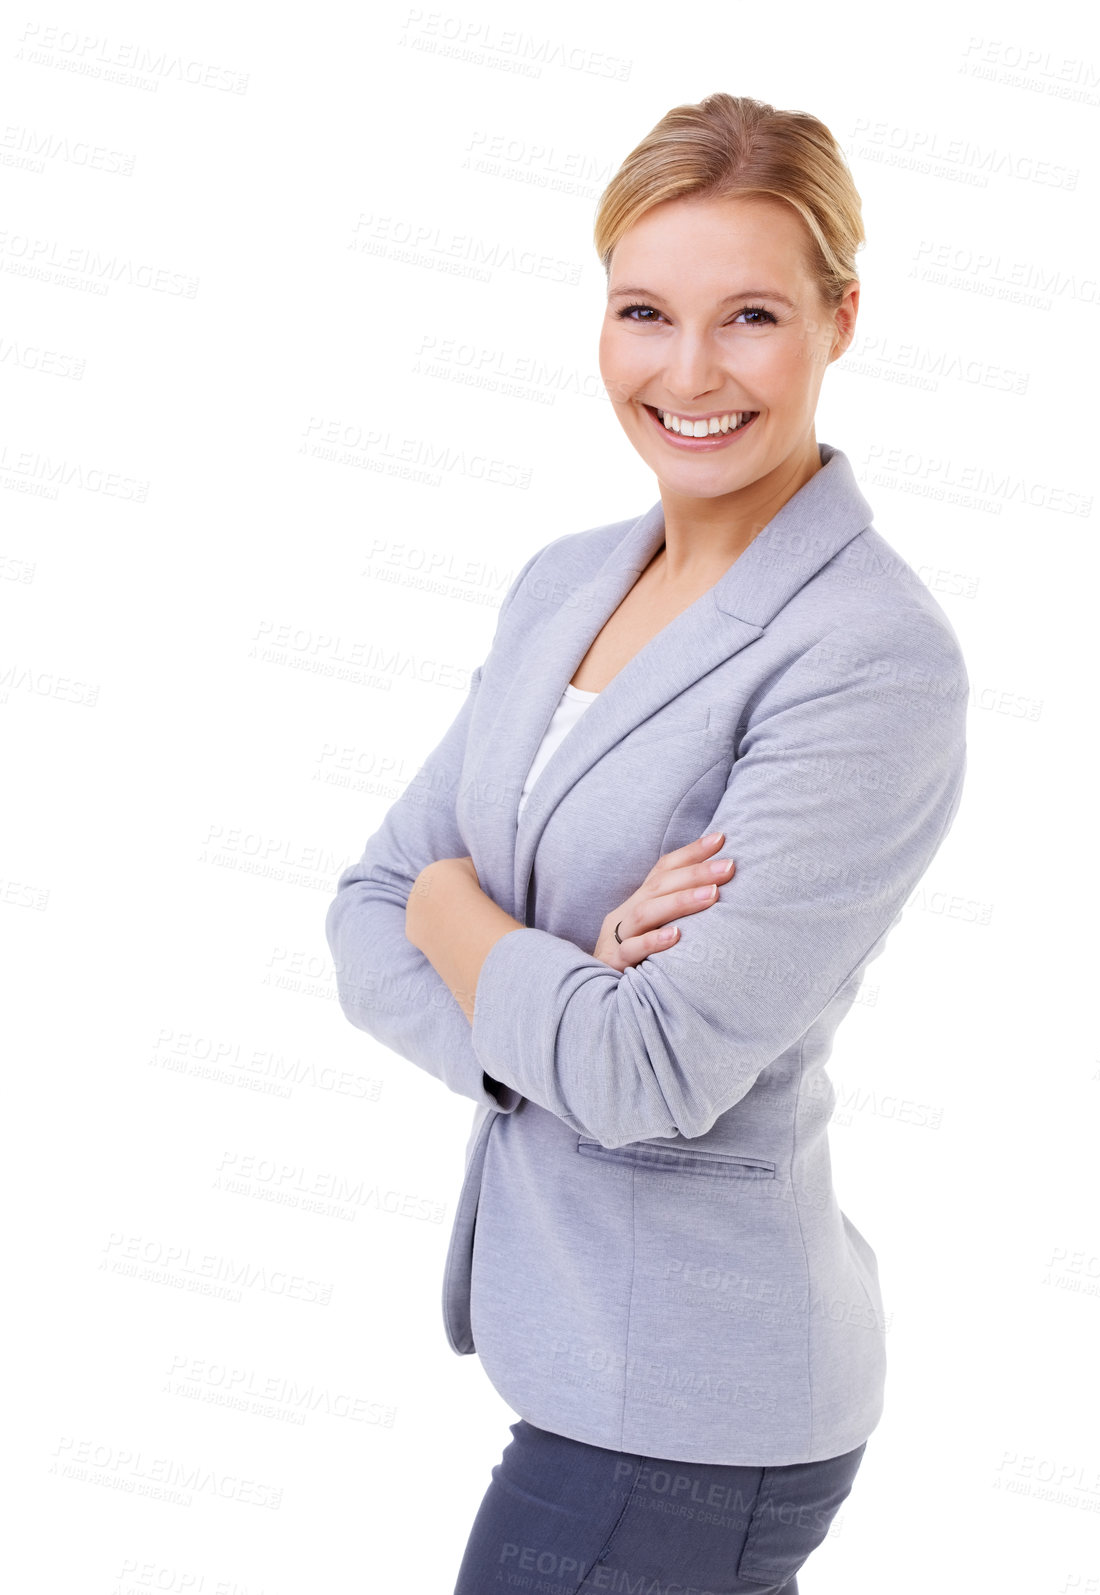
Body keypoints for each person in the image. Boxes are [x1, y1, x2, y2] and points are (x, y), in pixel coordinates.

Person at [325, 91, 969, 1593]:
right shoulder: (562, 585)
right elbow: (366, 908)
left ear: (840, 320)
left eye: (749, 315)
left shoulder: (867, 654)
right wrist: (556, 987)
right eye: (642, 312)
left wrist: (465, 917)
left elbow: (648, 1069)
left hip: (693, 1394)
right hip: (579, 1358)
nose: (689, 373)